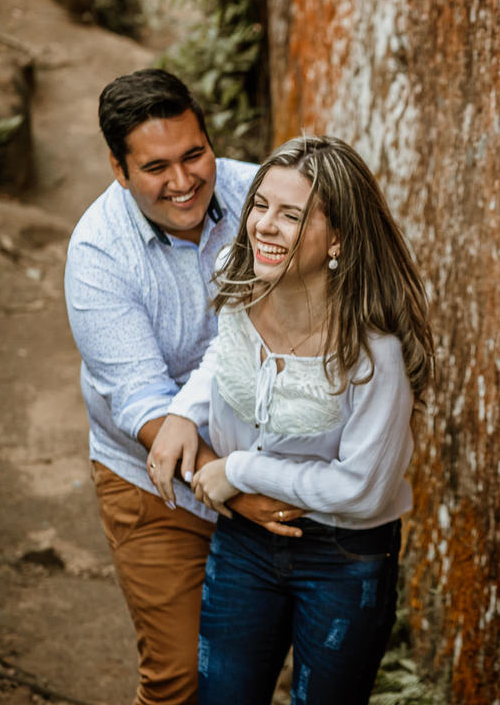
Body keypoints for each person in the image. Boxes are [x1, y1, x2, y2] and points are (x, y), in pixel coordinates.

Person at [149, 135, 434, 705]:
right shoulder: (239, 273)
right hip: (244, 540)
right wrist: (183, 412)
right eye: (260, 205)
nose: (264, 226)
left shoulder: (372, 353)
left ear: (339, 240)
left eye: (291, 215)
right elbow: (228, 354)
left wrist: (243, 470)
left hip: (344, 556)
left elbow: (361, 486)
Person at [64, 68, 307, 705]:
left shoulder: (261, 194)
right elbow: (141, 403)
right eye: (156, 168)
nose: (183, 182)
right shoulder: (98, 255)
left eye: (194, 154)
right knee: (180, 682)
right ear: (119, 170)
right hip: (155, 485)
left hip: (266, 463)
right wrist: (229, 487)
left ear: (209, 139)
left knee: (248, 674)